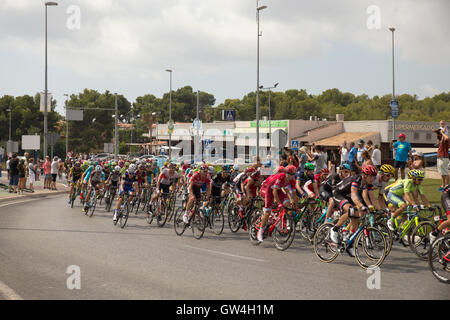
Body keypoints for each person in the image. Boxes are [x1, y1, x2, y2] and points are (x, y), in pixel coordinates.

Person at [434, 127, 449, 192]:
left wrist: (442, 132)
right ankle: (443, 186)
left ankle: (447, 186)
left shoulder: (444, 139)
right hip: (440, 157)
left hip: (444, 157)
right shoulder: (440, 140)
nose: (437, 135)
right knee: (442, 173)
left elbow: (447, 138)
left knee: (445, 172)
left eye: (437, 134)